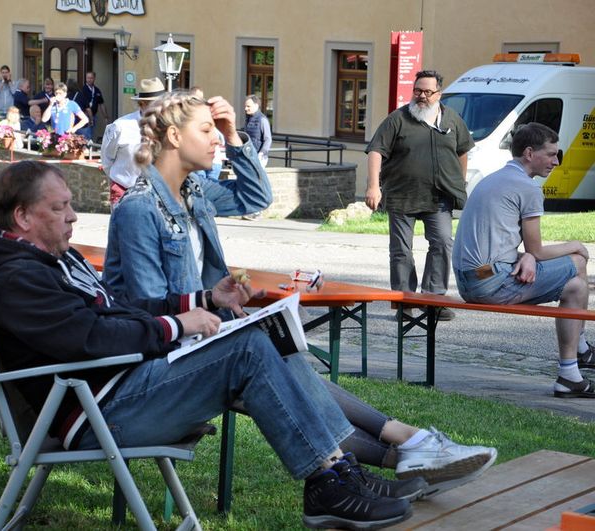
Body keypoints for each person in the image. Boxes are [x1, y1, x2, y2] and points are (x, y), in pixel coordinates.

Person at [0, 160, 422, 529]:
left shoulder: (49, 258)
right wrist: (176, 326)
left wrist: (205, 300)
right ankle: (331, 483)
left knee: (264, 337)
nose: (74, 216)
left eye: (71, 205)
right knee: (248, 348)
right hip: (100, 412)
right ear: (23, 217)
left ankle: (338, 472)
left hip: (120, 388)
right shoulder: (17, 277)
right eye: (61, 208)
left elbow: (120, 308)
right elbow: (91, 339)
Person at [102, 91, 497, 491]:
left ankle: (403, 454)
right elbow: (149, 308)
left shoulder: (194, 193)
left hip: (196, 345)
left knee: (281, 357)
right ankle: (405, 448)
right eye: (206, 130)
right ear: (173, 137)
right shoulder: (139, 209)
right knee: (266, 357)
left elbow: (256, 197)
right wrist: (210, 307)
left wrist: (236, 137)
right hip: (154, 368)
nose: (215, 138)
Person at [453, 122, 595, 398]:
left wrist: (527, 256)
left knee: (574, 279)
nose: (556, 161)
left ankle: (575, 363)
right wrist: (575, 245)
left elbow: (519, 249)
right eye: (552, 154)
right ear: (529, 153)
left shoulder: (492, 179)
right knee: (577, 264)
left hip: (472, 279)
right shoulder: (527, 188)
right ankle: (576, 360)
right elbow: (538, 250)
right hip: (489, 283)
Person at [365, 70, 475, 321]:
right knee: (401, 250)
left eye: (427, 91)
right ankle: (405, 303)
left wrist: (460, 182)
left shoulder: (452, 119)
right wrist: (373, 186)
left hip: (439, 197)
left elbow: (462, 150)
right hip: (402, 195)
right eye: (417, 91)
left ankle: (432, 300)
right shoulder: (398, 119)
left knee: (443, 243)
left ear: (439, 94)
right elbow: (376, 151)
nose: (422, 96)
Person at [100, 77, 164, 206]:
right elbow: (107, 159)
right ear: (142, 104)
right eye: (155, 104)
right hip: (124, 191)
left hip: (159, 194)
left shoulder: (169, 126)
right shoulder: (121, 126)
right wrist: (122, 179)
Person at [242, 94, 272, 220]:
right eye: (245, 106)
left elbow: (268, 139)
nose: (246, 109)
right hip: (249, 156)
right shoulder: (248, 119)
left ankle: (257, 212)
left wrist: (261, 154)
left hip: (259, 157)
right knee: (249, 183)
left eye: (248, 106)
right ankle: (251, 210)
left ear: (256, 105)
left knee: (256, 183)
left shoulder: (262, 120)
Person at [191, 86, 225, 181]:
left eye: (201, 98)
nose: (200, 101)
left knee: (208, 185)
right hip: (200, 160)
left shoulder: (206, 113)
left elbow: (221, 139)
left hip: (213, 161)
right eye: (196, 98)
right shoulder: (192, 115)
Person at [74, 71, 109, 140]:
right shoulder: (82, 90)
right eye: (88, 78)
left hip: (93, 116)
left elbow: (101, 103)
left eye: (91, 78)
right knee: (86, 135)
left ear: (94, 78)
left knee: (90, 134)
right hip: (84, 116)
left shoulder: (97, 90)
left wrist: (105, 116)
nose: (89, 80)